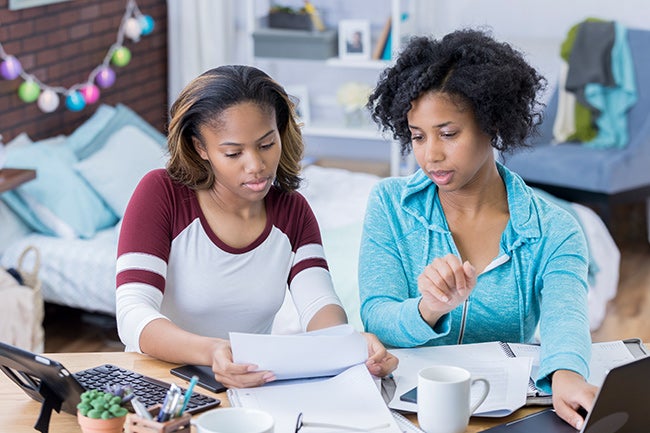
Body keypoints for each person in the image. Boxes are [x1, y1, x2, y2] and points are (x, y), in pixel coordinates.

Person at [359, 29, 597, 430]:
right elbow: (376, 314)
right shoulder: (389, 204)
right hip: (401, 412)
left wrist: (567, 375)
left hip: (503, 416)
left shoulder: (554, 229)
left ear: (491, 124)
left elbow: (565, 317)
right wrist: (430, 306)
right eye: (418, 136)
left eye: (448, 134)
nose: (430, 154)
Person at [115, 65, 397, 389]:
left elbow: (319, 303)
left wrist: (345, 344)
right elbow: (133, 315)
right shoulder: (161, 194)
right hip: (160, 383)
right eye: (233, 153)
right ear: (200, 148)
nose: (257, 166)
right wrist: (214, 351)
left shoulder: (292, 211)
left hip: (249, 386)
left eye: (266, 145)